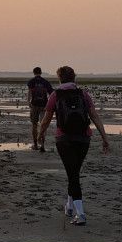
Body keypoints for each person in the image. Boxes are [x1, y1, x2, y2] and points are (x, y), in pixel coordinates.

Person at [36, 66, 110, 225]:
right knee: (74, 172)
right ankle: (69, 206)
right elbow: (94, 116)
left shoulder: (55, 95)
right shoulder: (83, 94)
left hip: (64, 139)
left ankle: (81, 214)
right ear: (74, 77)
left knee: (73, 174)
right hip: (84, 139)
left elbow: (47, 118)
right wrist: (104, 138)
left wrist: (40, 134)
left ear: (59, 78)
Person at [27, 67, 53, 152]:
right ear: (41, 72)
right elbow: (51, 94)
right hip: (44, 105)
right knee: (43, 125)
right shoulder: (45, 82)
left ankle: (35, 144)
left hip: (34, 105)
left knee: (34, 124)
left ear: (34, 72)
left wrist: (28, 102)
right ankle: (42, 145)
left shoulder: (31, 81)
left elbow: (30, 92)